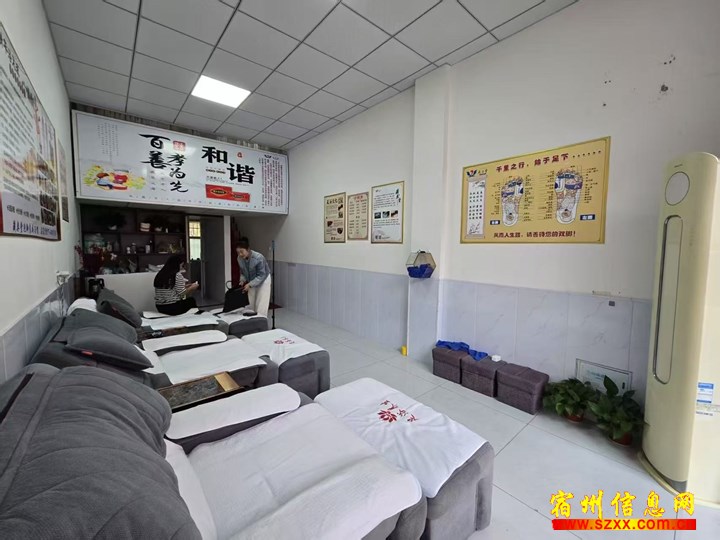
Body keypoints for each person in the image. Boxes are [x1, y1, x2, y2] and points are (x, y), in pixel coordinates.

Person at [236, 237, 272, 317]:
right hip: (251, 280)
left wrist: (250, 284)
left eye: (241, 252)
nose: (240, 254)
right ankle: (253, 321)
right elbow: (242, 272)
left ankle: (261, 320)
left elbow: (261, 275)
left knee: (261, 303)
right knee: (251, 303)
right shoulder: (239, 258)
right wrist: (242, 280)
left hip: (263, 280)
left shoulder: (259, 257)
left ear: (248, 249)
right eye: (238, 252)